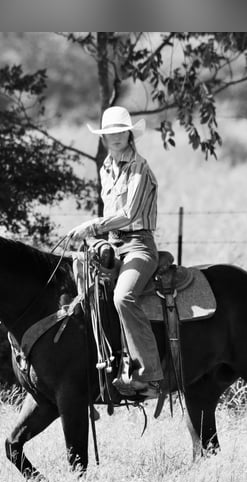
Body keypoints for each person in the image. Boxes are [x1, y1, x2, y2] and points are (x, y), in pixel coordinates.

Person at [67, 105, 163, 396]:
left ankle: (149, 376)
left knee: (123, 296)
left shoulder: (140, 168)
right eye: (109, 133)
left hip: (138, 245)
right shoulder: (106, 168)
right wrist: (96, 236)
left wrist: (91, 226)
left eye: (120, 132)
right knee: (84, 292)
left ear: (129, 134)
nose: (115, 137)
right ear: (104, 137)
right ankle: (100, 366)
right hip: (112, 245)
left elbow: (130, 213)